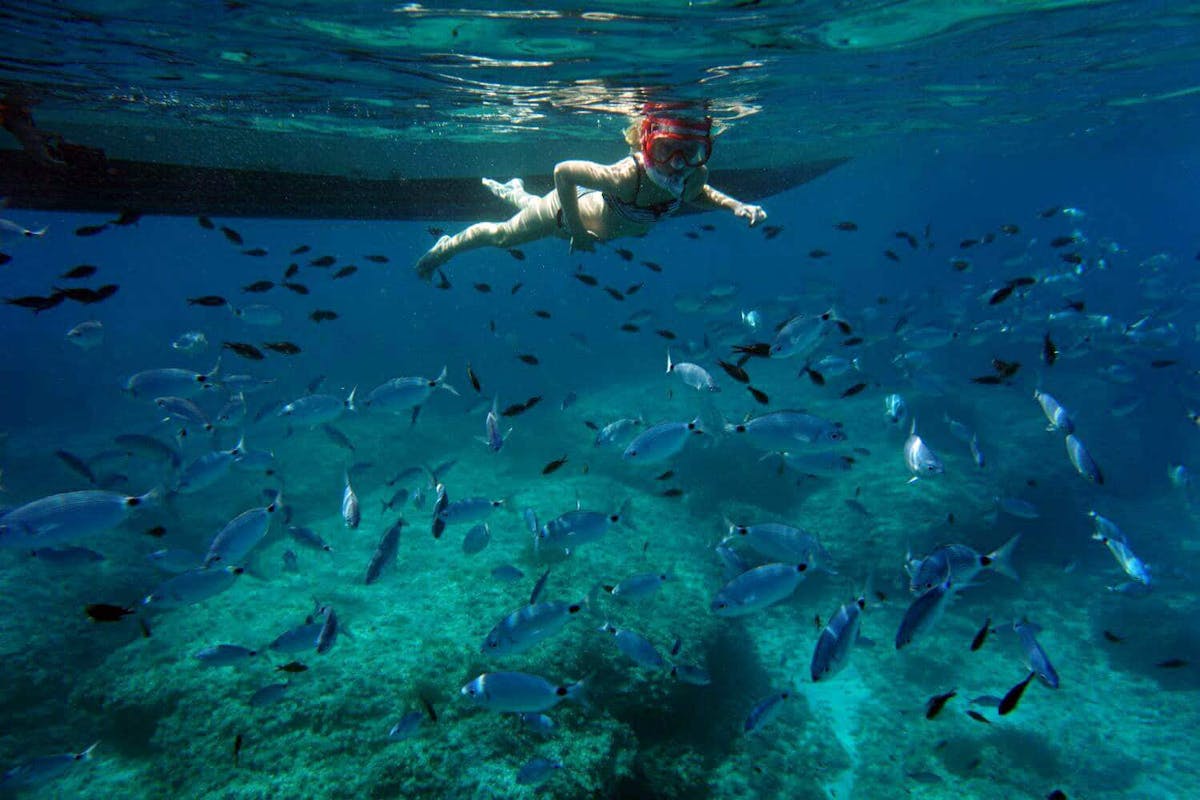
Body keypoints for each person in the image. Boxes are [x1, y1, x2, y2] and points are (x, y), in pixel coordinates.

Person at [415, 110, 767, 279]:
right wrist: (579, 232)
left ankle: (514, 191)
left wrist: (736, 206)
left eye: (690, 153)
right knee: (503, 236)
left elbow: (697, 193)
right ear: (646, 146)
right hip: (565, 216)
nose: (676, 165)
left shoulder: (691, 175)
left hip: (578, 223)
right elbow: (563, 172)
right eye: (664, 151)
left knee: (529, 209)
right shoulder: (629, 176)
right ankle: (441, 251)